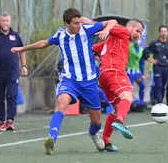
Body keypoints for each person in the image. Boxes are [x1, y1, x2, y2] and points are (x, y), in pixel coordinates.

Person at [11, 8, 117, 155]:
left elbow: (113, 21)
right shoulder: (60, 35)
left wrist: (107, 30)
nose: (79, 25)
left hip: (89, 82)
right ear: (66, 23)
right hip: (69, 79)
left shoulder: (87, 29)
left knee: (97, 121)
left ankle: (93, 134)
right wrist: (22, 48)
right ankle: (51, 139)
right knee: (61, 104)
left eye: (80, 22)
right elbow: (43, 43)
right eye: (75, 23)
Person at [93, 19, 144, 152]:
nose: (138, 35)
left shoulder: (112, 42)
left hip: (103, 76)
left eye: (141, 33)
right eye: (137, 30)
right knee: (127, 97)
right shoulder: (123, 31)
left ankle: (105, 141)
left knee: (117, 109)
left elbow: (93, 48)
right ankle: (120, 122)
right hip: (114, 72)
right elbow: (110, 24)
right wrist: (104, 28)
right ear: (130, 27)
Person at [0, 12, 28, 131]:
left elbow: (23, 50)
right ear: (0, 22)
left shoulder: (15, 36)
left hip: (13, 72)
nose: (5, 23)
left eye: (7, 21)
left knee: (12, 95)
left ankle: (10, 121)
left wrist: (24, 65)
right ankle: (1, 121)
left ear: (10, 22)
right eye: (3, 21)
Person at [143, 25, 168, 105]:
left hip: (166, 68)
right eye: (162, 31)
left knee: (163, 87)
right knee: (158, 86)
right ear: (159, 33)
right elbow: (145, 53)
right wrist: (152, 61)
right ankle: (160, 103)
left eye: (165, 31)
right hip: (157, 68)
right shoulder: (154, 43)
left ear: (167, 33)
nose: (163, 33)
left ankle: (160, 102)